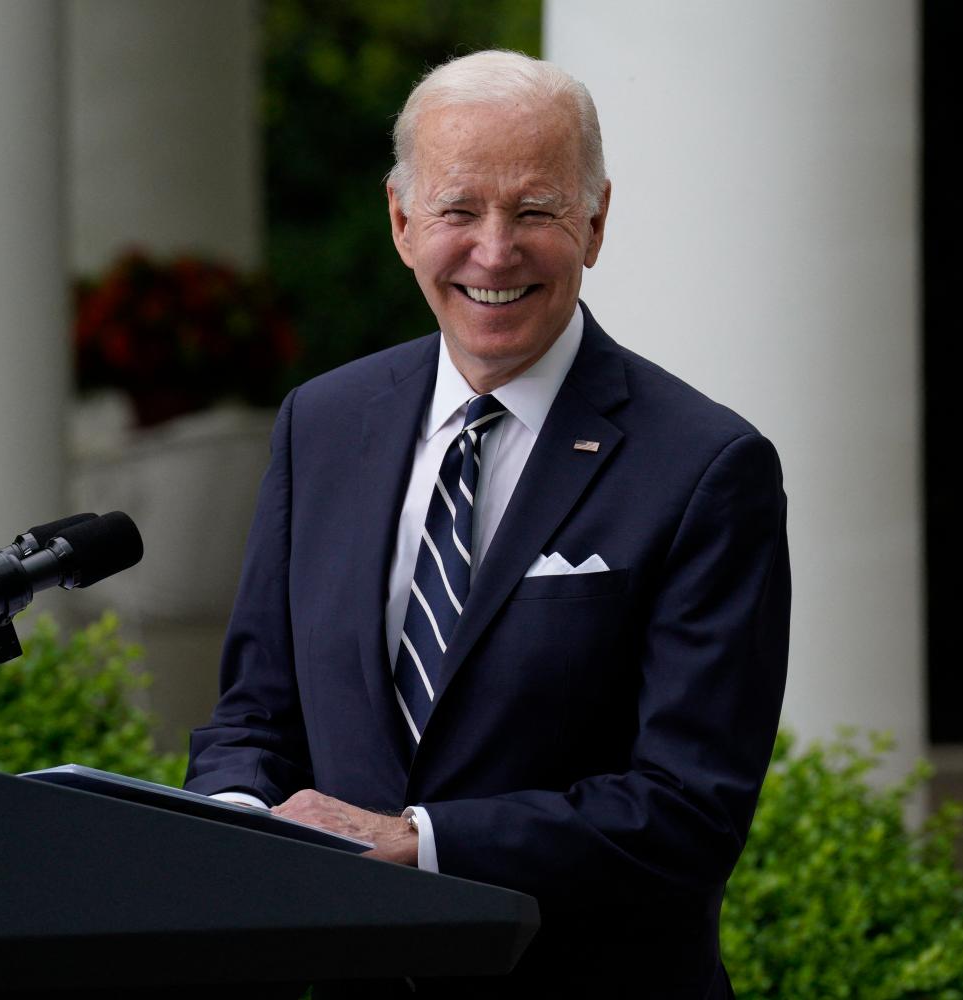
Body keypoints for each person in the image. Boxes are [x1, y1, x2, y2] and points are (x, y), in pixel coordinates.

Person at [185, 49, 790, 997]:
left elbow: (690, 808)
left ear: (594, 224)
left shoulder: (708, 467)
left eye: (536, 210)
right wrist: (232, 820)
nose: (495, 250)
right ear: (401, 222)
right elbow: (256, 711)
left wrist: (425, 843)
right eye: (459, 209)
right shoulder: (323, 423)